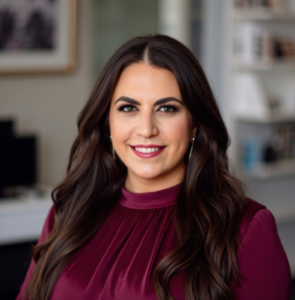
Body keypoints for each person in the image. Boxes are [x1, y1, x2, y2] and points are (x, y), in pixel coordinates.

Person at [17, 35, 291, 300]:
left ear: (195, 123)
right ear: (106, 121)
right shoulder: (68, 211)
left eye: (167, 108)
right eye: (128, 108)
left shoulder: (245, 227)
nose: (146, 129)